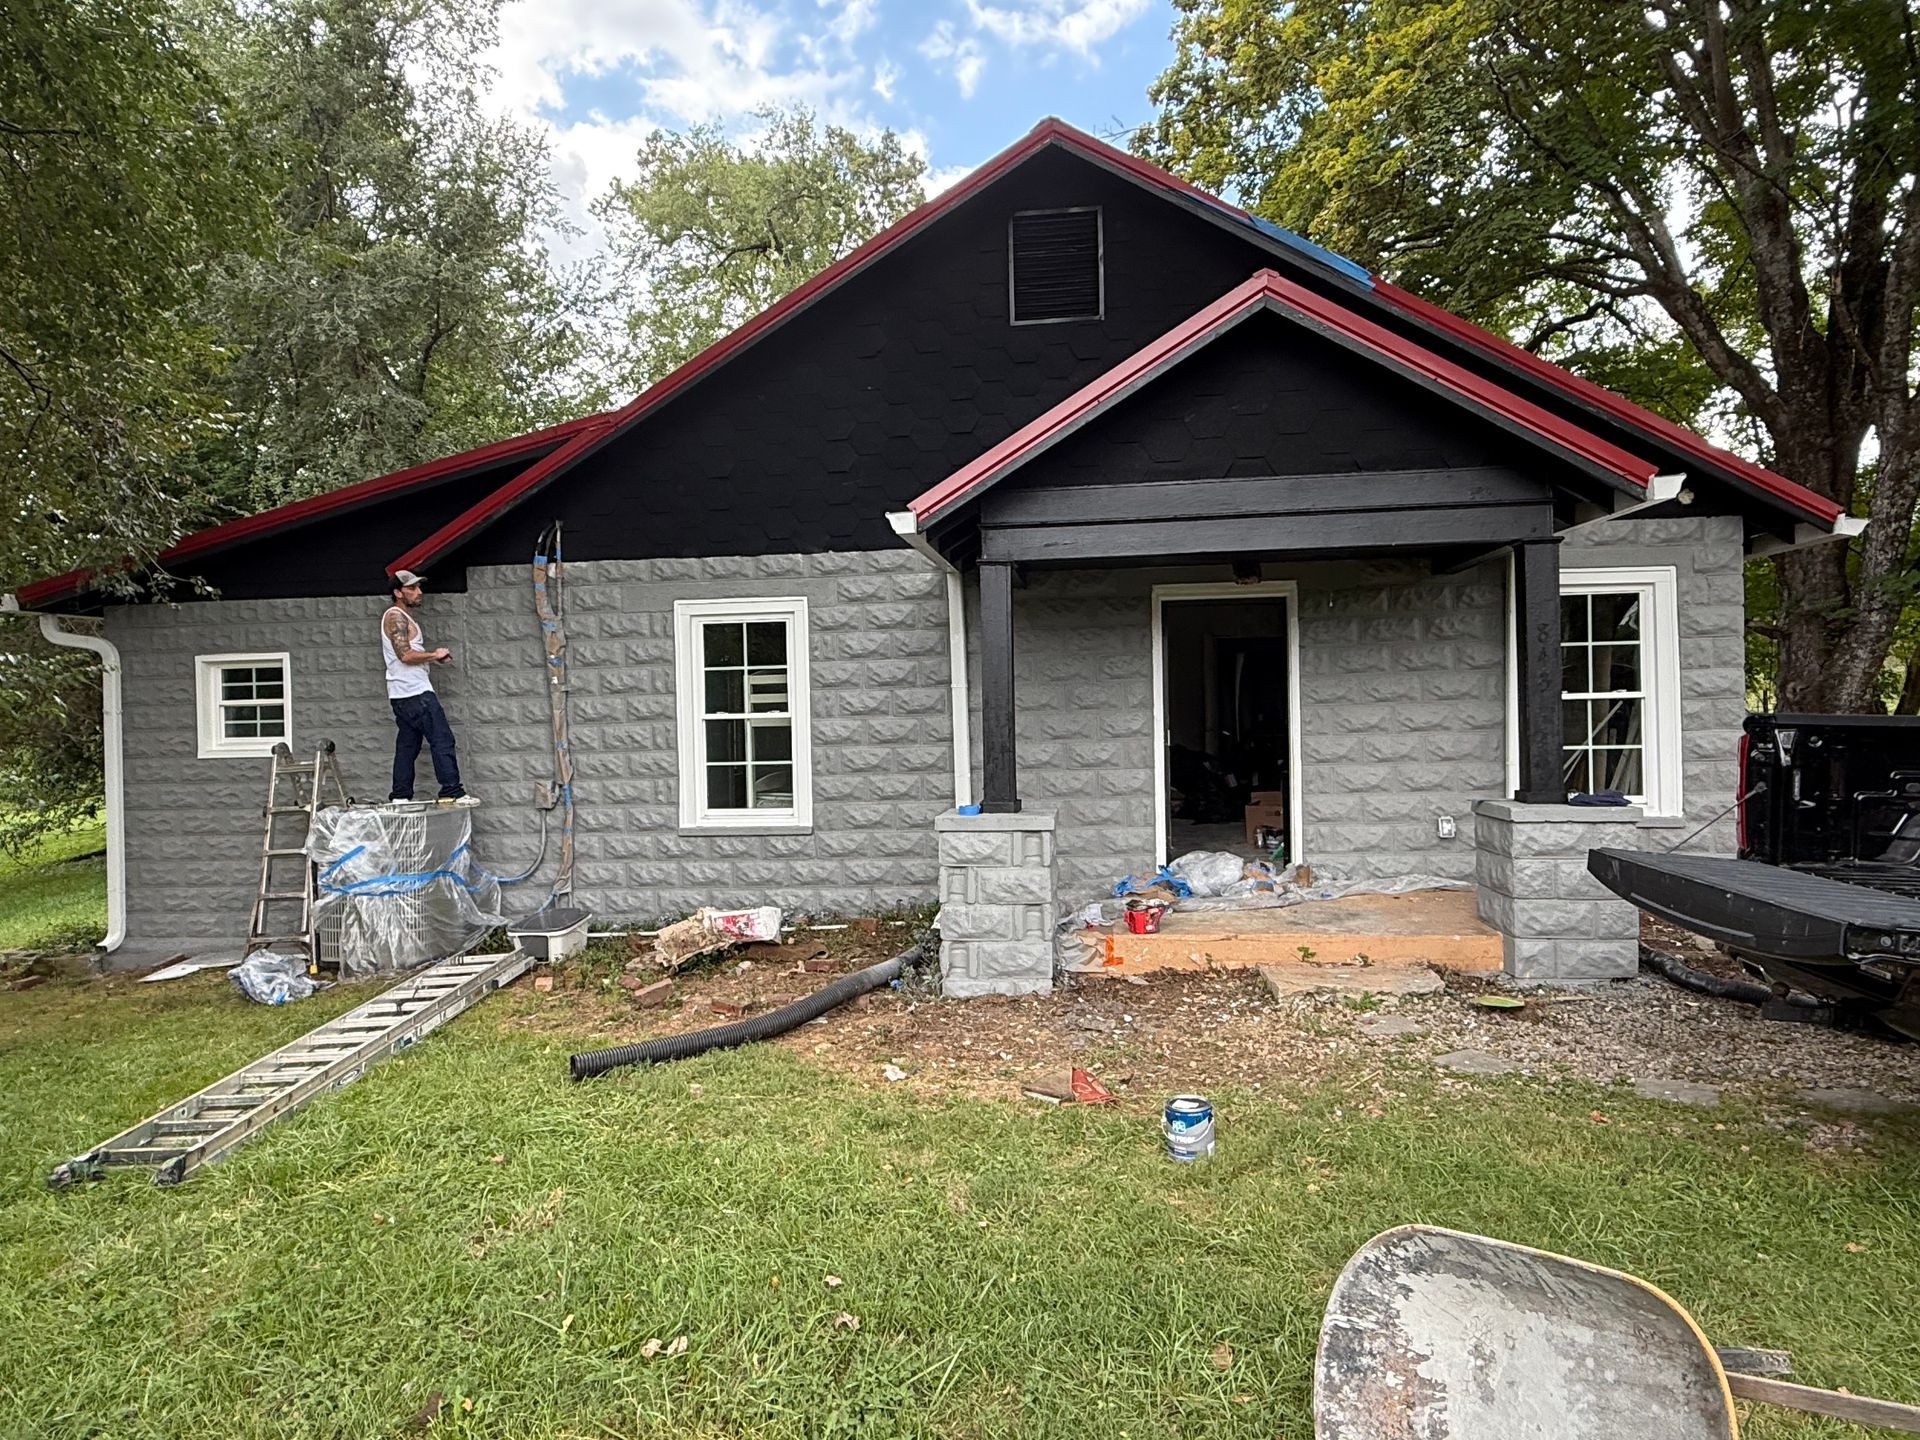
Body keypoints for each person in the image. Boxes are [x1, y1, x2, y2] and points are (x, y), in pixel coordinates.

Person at [381, 569, 477, 806]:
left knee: (408, 745)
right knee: (442, 739)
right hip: (416, 692)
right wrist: (435, 654)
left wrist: (432, 658)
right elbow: (405, 655)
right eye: (411, 588)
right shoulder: (396, 617)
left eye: (418, 587)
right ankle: (451, 791)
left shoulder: (401, 617)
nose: (418, 592)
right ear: (397, 592)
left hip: (400, 694)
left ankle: (400, 796)